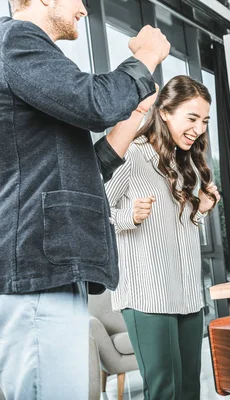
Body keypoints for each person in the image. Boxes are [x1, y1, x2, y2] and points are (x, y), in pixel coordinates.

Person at [0, 0, 170, 397]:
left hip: (51, 269)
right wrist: (146, 58)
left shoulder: (27, 58)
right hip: (37, 268)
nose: (83, 8)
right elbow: (96, 102)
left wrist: (132, 119)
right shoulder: (16, 42)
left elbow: (83, 172)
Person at [105, 76, 219, 399]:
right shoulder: (131, 154)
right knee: (164, 392)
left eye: (205, 121)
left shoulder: (187, 162)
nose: (199, 129)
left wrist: (202, 209)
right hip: (147, 296)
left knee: (189, 390)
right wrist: (129, 216)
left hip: (187, 295)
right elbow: (97, 211)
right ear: (166, 112)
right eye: (192, 118)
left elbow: (180, 227)